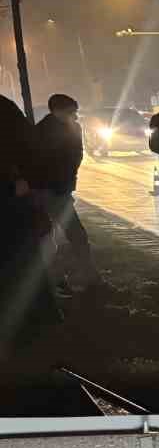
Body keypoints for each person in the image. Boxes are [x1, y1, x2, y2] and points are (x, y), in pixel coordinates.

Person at [0, 94, 58, 346]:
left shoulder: (5, 110)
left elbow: (27, 148)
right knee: (21, 257)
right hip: (12, 194)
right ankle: (34, 319)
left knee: (18, 256)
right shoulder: (6, 109)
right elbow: (30, 148)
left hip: (10, 193)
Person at [31, 93, 98, 292]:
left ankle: (63, 280)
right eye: (71, 112)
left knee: (55, 237)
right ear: (58, 111)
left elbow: (74, 158)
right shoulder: (45, 132)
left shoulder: (66, 129)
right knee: (74, 236)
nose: (75, 116)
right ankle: (82, 278)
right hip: (51, 190)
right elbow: (50, 163)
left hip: (58, 189)